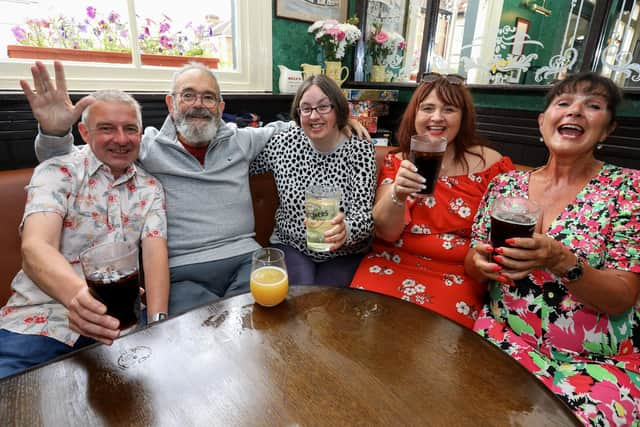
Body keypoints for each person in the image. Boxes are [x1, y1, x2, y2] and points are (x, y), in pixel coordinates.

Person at [29, 61, 367, 315]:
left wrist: (341, 119)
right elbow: (71, 163)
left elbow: (300, 125)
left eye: (208, 97)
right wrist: (55, 133)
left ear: (221, 108)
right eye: (188, 95)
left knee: (262, 331)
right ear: (170, 103)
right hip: (183, 273)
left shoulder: (242, 140)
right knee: (199, 343)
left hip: (244, 261)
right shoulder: (142, 146)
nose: (198, 104)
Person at [465, 72, 640, 425]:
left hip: (594, 362)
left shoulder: (628, 188)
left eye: (592, 106)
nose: (575, 111)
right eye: (563, 103)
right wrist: (480, 263)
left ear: (607, 130)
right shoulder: (505, 184)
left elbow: (622, 297)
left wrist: (560, 259)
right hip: (503, 339)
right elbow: (473, 258)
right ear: (542, 121)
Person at [0, 90, 169, 379]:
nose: (121, 139)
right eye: (107, 128)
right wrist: (82, 299)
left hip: (121, 318)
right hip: (39, 320)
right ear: (84, 132)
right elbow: (35, 248)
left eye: (130, 129)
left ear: (141, 134)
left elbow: (155, 255)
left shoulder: (150, 187)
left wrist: (157, 323)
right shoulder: (58, 171)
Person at [350, 73, 514, 328]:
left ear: (463, 117)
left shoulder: (490, 165)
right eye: (427, 108)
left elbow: (505, 230)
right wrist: (398, 193)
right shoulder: (398, 161)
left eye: (448, 109)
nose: (437, 117)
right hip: (390, 263)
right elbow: (386, 232)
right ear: (414, 115)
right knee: (361, 331)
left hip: (457, 273)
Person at [249, 75, 375, 286]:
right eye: (306, 108)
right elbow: (243, 164)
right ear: (298, 114)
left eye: (324, 107)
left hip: (344, 252)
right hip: (292, 245)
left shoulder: (359, 148)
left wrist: (347, 230)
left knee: (327, 302)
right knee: (302, 295)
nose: (314, 115)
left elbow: (364, 214)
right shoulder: (284, 142)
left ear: (338, 109)